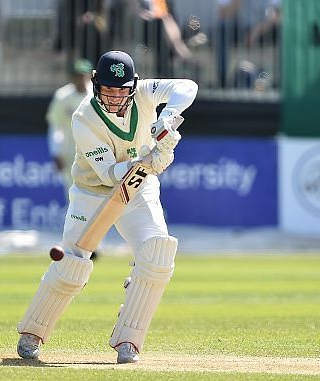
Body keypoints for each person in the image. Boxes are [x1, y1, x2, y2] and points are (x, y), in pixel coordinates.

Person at [17, 50, 197, 363]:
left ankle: (129, 341)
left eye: (122, 90)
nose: (115, 97)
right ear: (95, 84)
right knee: (72, 261)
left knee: (157, 254)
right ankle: (33, 331)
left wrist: (167, 118)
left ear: (134, 86)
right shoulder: (84, 117)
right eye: (108, 90)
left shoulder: (144, 93)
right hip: (92, 193)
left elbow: (187, 86)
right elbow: (109, 173)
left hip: (138, 190)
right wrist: (150, 161)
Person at [46, 58, 93, 202]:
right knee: (73, 194)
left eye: (83, 75)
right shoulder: (62, 96)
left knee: (95, 194)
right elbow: (55, 126)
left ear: (90, 76)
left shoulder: (96, 95)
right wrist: (55, 151)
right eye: (77, 75)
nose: (80, 79)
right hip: (70, 152)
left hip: (94, 151)